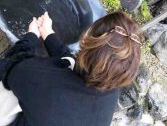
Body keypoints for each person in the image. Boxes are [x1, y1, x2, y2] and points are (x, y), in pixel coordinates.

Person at [0, 11, 141, 126]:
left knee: (7, 88)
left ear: (90, 35)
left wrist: (31, 36)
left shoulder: (44, 82)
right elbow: (77, 64)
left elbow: (13, 65)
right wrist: (48, 34)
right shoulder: (110, 87)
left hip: (37, 103)